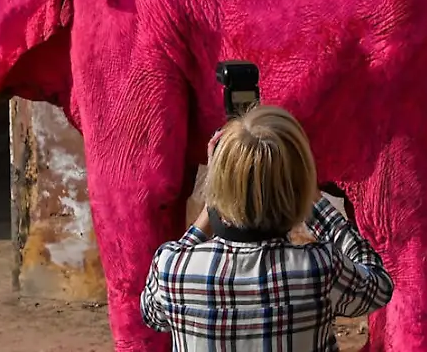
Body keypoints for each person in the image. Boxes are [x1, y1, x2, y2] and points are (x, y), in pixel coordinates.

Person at [140, 104, 395, 351]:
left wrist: (215, 198)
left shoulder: (172, 268)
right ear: (300, 185)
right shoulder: (320, 267)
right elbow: (380, 286)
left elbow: (151, 314)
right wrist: (313, 199)